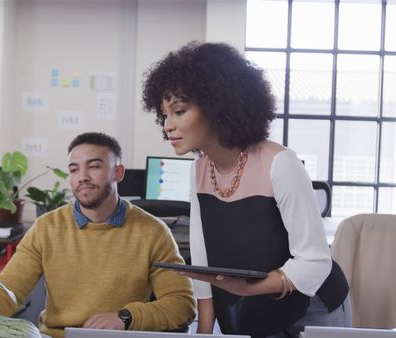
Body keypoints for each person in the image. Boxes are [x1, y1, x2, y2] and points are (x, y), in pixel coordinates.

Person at [142, 41, 350, 338]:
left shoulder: (280, 163)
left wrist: (251, 288)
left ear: (217, 106)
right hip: (252, 303)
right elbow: (202, 260)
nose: (168, 126)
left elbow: (315, 261)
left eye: (179, 111)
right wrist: (204, 326)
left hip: (313, 304)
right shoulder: (199, 169)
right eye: (164, 115)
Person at [0, 132, 196, 338]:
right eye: (74, 169)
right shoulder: (47, 228)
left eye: (94, 166)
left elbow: (182, 303)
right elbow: (6, 291)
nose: (82, 177)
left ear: (118, 172)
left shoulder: (153, 232)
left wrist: (126, 317)